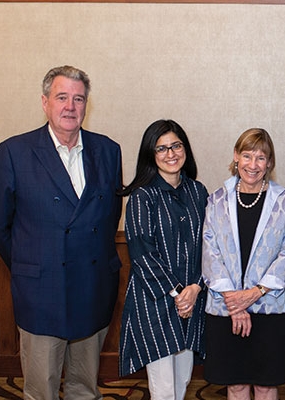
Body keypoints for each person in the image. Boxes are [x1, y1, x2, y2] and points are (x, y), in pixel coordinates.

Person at [0, 65, 123, 399]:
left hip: (92, 288)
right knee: (41, 390)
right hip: (41, 292)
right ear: (45, 102)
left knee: (85, 388)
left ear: (86, 105)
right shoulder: (15, 152)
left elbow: (108, 219)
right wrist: (28, 263)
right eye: (62, 97)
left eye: (78, 99)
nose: (70, 107)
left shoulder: (108, 151)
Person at [202, 128, 285, 400]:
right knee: (235, 384)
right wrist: (235, 302)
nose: (253, 165)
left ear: (270, 162)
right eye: (247, 156)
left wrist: (253, 294)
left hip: (270, 309)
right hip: (225, 307)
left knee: (267, 385)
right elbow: (210, 253)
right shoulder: (216, 200)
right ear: (236, 157)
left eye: (261, 158)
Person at [118, 119, 208, 399]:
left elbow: (211, 246)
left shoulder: (199, 192)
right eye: (161, 148)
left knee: (181, 383)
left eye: (176, 145)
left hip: (193, 301)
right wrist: (179, 293)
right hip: (155, 303)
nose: (171, 154)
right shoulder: (142, 197)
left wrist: (195, 288)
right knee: (164, 390)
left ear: (185, 148)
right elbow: (143, 255)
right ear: (150, 154)